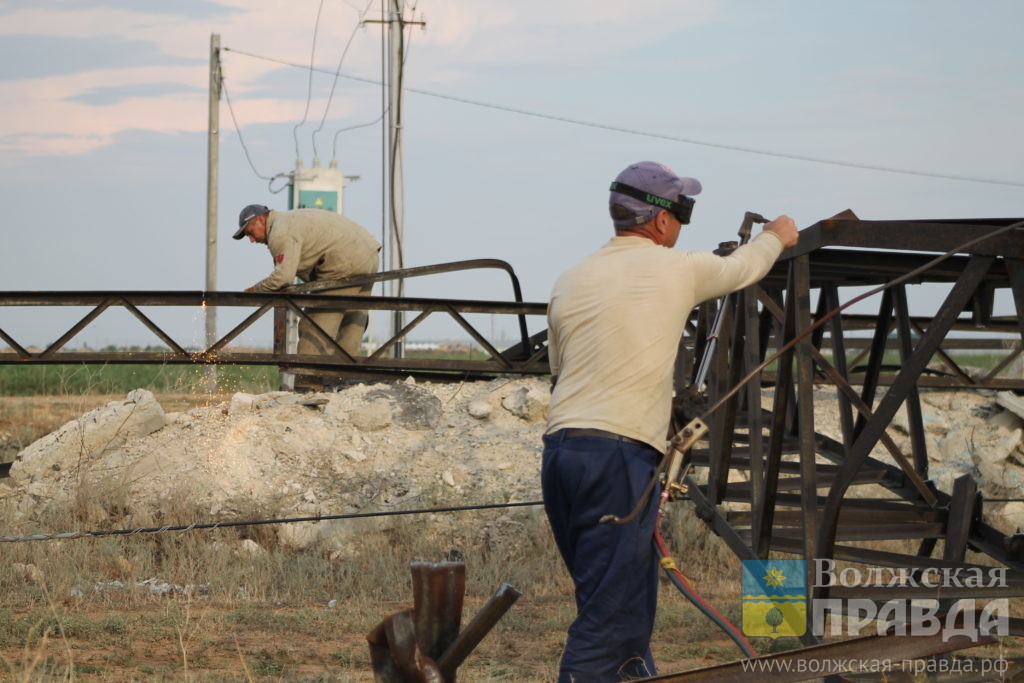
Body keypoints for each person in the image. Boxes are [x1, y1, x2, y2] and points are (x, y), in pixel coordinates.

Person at [541, 161, 798, 681]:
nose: (682, 225)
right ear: (660, 220)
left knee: (615, 598)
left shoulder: (572, 278)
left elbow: (561, 370)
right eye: (683, 212)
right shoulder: (675, 267)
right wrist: (776, 236)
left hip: (563, 453)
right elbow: (743, 268)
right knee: (608, 616)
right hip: (618, 457)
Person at [235, 204, 381, 358]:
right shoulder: (289, 220)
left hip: (343, 263)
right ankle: (346, 376)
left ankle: (308, 377)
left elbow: (282, 278)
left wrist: (253, 291)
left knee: (313, 327)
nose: (252, 240)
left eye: (250, 233)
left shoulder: (279, 233)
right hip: (369, 253)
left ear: (260, 220)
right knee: (351, 319)